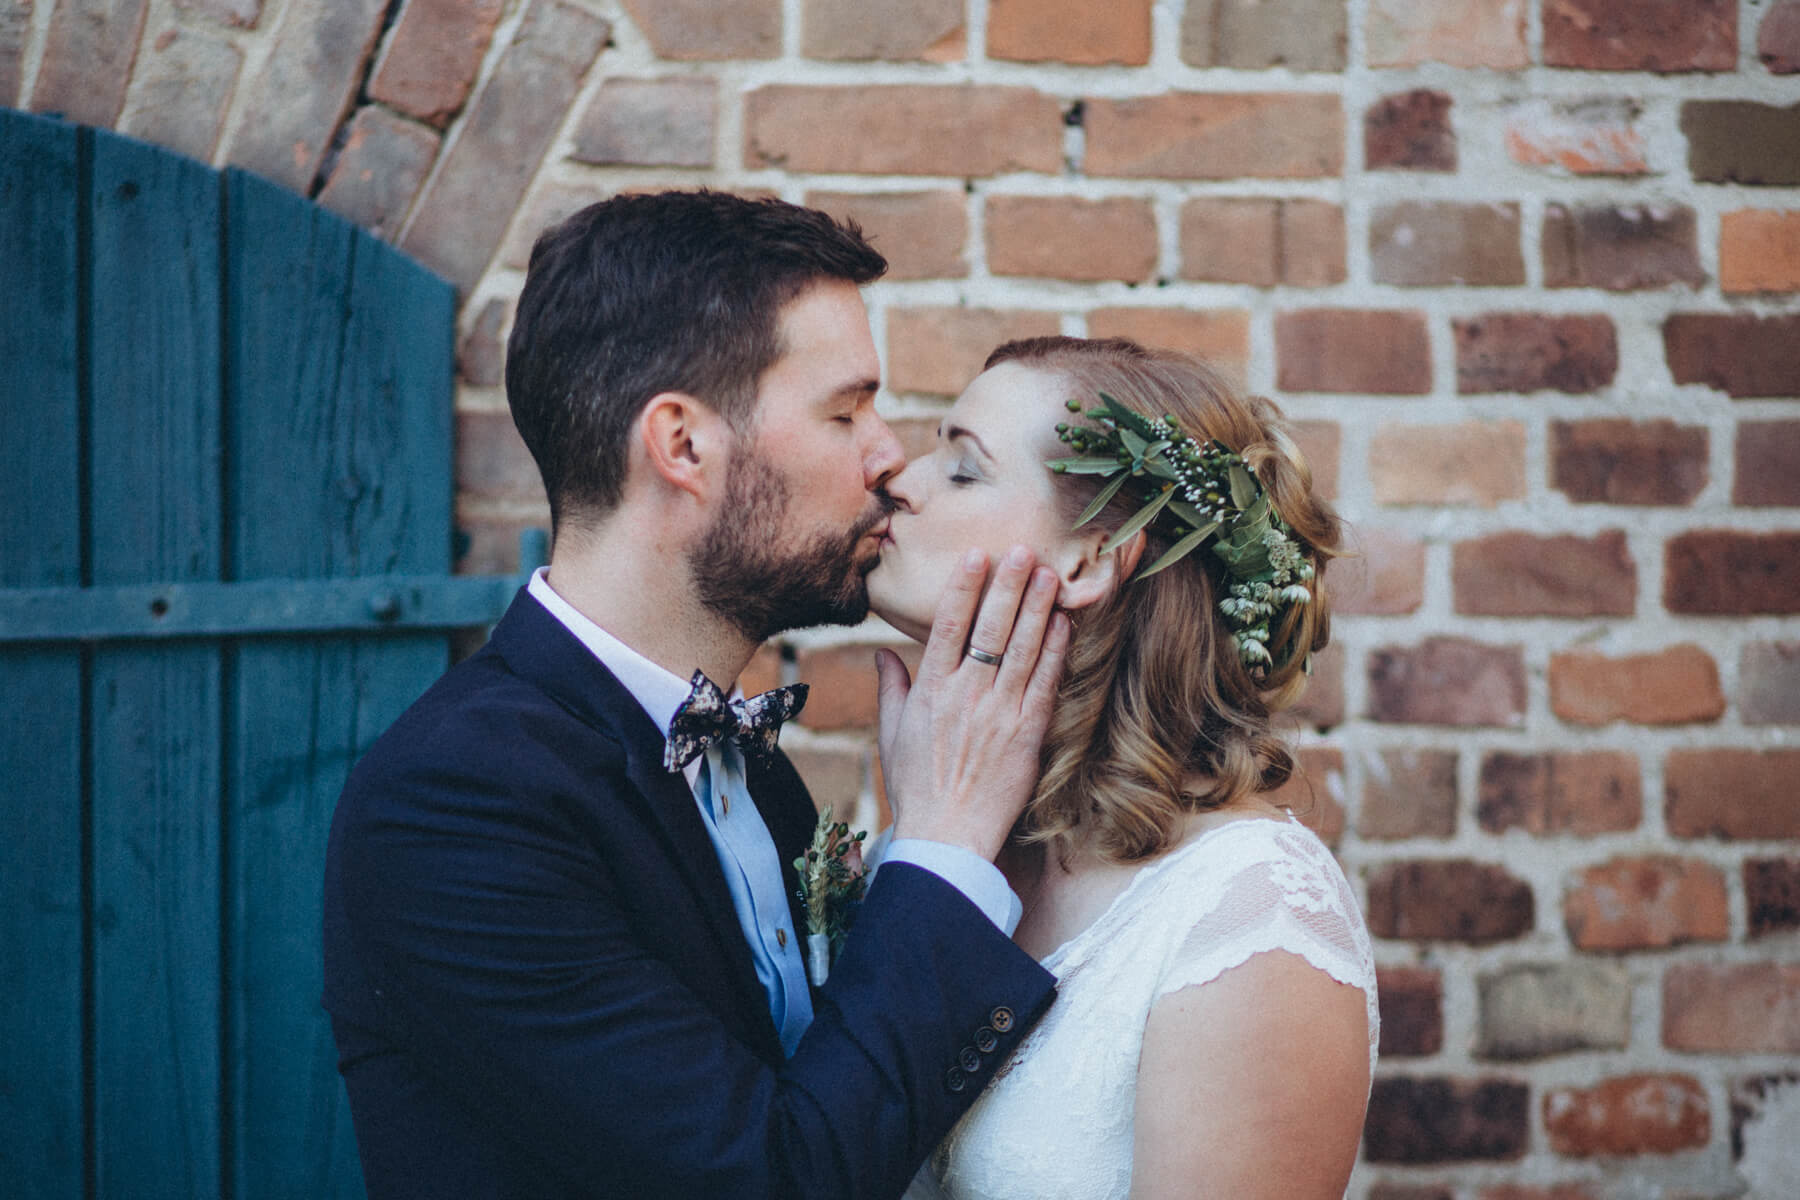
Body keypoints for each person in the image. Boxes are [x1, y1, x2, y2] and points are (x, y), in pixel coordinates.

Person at [321, 191, 1070, 1200]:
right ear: (682, 447)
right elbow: (770, 1180)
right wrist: (942, 844)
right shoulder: (458, 804)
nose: (888, 456)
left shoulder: (746, 765)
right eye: (846, 411)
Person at [866, 336, 1378, 1200]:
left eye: (961, 468)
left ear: (1091, 559)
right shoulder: (936, 848)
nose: (898, 482)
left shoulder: (1250, 911)